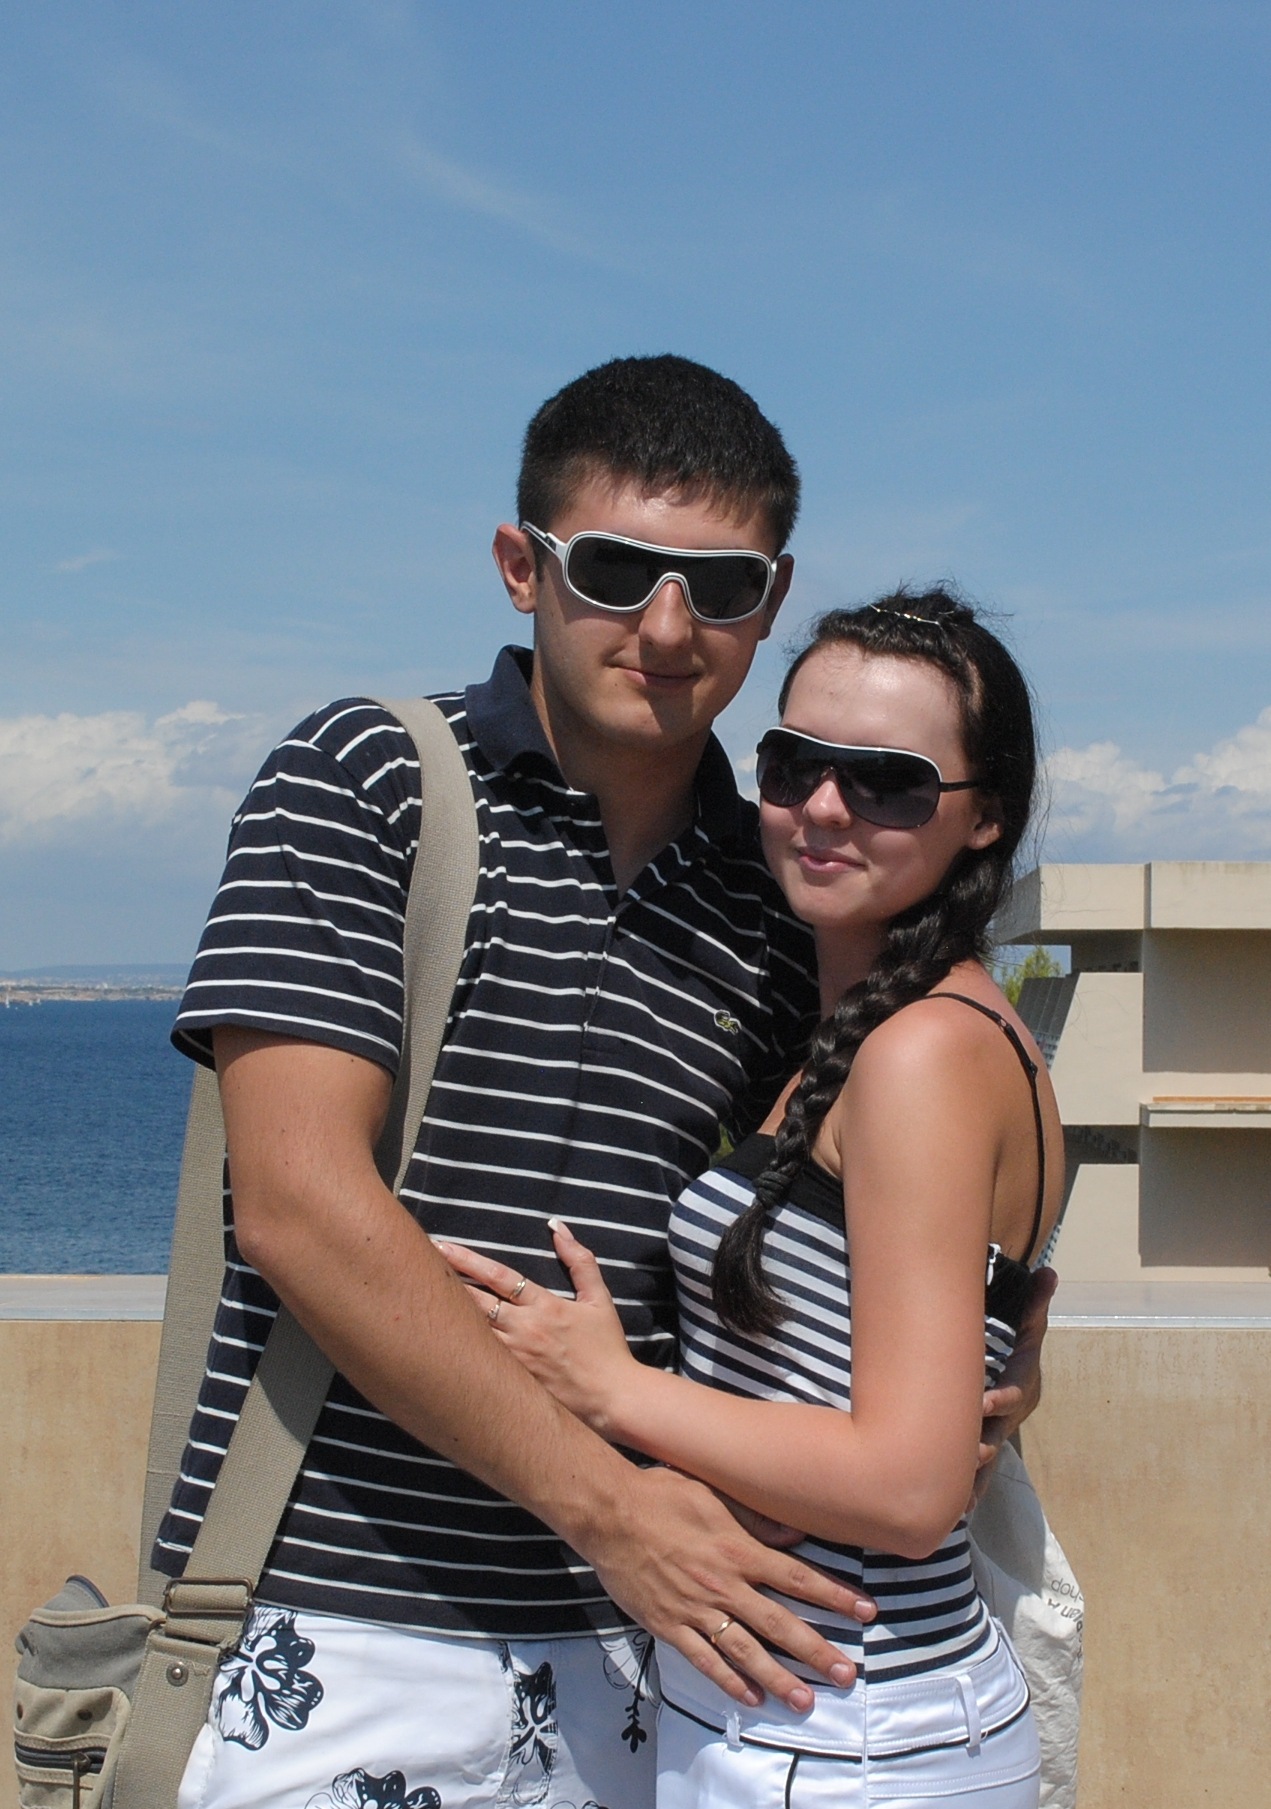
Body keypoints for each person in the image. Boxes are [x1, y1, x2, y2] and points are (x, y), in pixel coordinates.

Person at [160, 356, 1046, 1809]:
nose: (667, 626)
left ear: (770, 597)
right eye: (616, 570)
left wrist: (991, 1359)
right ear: (523, 568)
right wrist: (613, 1512)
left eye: (722, 584)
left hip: (671, 1658)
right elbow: (301, 1208)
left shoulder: (783, 901)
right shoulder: (370, 779)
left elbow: (865, 1235)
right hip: (351, 1614)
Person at [442, 591, 1061, 1808]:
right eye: (792, 765)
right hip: (809, 1716)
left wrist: (615, 1388)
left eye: (885, 783)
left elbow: (907, 1488)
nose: (823, 807)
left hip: (841, 1728)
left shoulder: (921, 1053)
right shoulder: (892, 1027)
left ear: (982, 816)